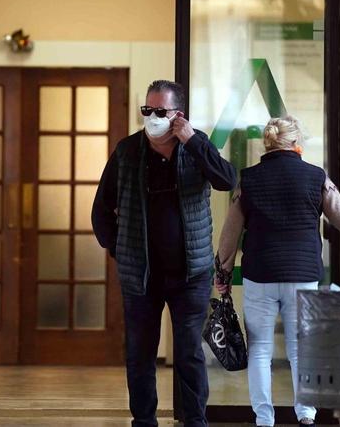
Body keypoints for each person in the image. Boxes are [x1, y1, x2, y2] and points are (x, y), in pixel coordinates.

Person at [214, 115, 340, 427]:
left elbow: (230, 234)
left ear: (267, 144)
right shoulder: (315, 177)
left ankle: (264, 419)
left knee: (259, 351)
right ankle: (306, 417)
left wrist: (222, 274)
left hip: (260, 274)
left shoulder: (249, 179)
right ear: (296, 143)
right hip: (302, 275)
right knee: (301, 351)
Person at [92, 80, 237, 427]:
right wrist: (118, 248)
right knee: (140, 353)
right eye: (147, 111)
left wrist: (193, 140)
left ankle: (195, 421)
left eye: (160, 112)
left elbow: (227, 180)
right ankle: (144, 420)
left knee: (188, 353)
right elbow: (101, 209)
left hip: (191, 274)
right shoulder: (128, 151)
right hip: (141, 275)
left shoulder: (195, 148)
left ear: (178, 116)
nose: (152, 118)